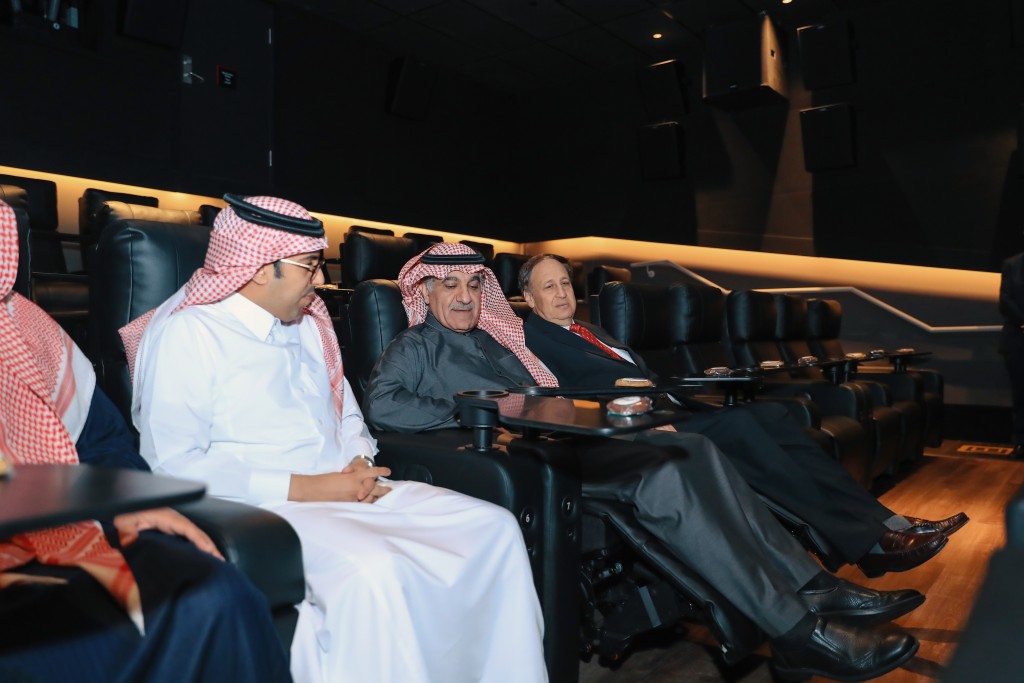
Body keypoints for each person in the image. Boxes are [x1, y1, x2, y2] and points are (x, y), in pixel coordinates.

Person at [364, 242, 923, 682]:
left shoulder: (494, 341)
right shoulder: (415, 346)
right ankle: (797, 632)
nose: (464, 297)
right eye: (450, 286)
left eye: (471, 285)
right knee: (663, 476)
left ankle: (808, 583)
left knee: (694, 447)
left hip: (564, 441)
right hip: (528, 462)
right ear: (426, 291)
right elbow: (383, 405)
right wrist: (472, 412)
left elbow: (547, 394)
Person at [123, 195, 547, 683]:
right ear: (259, 269)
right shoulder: (190, 334)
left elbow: (348, 415)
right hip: (266, 507)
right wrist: (310, 487)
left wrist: (359, 461)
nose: (321, 279)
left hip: (350, 486)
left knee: (494, 528)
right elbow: (172, 465)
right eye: (309, 266)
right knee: (376, 571)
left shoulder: (309, 325)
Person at [518, 254, 968, 576]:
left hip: (673, 404)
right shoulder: (534, 338)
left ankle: (887, 523)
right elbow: (575, 391)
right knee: (743, 425)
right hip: (639, 424)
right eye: (549, 286)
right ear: (529, 297)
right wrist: (642, 412)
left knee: (775, 417)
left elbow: (643, 372)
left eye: (565, 283)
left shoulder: (589, 328)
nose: (561, 293)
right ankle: (867, 542)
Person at [0, 200, 290, 683]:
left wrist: (122, 501)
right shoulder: (190, 333)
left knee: (216, 594)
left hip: (64, 528)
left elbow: (101, 440)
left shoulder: (25, 328)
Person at [999, 251, 1024, 459]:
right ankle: (1020, 441)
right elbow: (1005, 301)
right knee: (1021, 393)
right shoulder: (1011, 264)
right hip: (1017, 339)